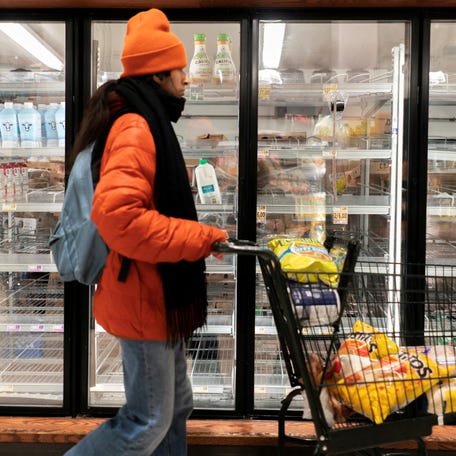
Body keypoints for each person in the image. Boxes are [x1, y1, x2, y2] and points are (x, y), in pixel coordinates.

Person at [65, 8, 228, 456]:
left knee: (176, 408)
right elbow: (120, 217)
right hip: (143, 295)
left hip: (155, 293)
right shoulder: (137, 125)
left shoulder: (146, 118)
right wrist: (199, 237)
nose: (187, 79)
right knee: (147, 419)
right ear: (159, 73)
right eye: (181, 69)